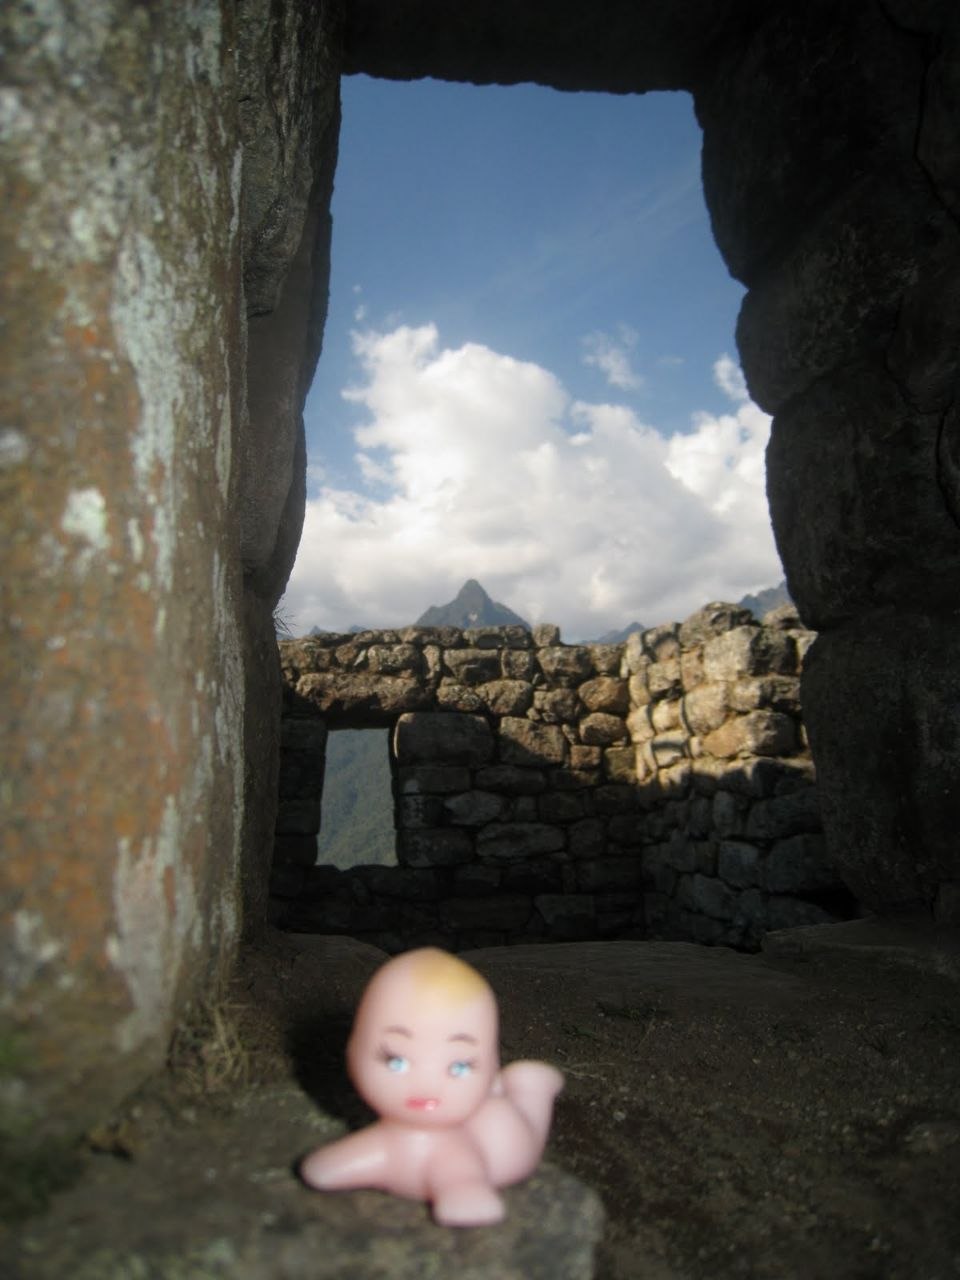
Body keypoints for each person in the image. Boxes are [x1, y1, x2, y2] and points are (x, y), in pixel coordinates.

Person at [300, 946, 564, 1226]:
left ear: (489, 1069)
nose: (426, 1086)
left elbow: (461, 1177)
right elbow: (358, 1158)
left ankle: (532, 1089)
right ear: (353, 1054)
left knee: (526, 1136)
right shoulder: (386, 1141)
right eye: (396, 1061)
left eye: (460, 1067)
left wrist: (464, 1192)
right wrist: (336, 1165)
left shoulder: (455, 1152)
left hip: (505, 1140)